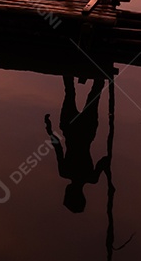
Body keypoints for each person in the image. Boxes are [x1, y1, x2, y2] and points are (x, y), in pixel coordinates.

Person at [45, 75, 109, 213]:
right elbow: (58, 147)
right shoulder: (65, 172)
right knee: (71, 91)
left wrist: (105, 169)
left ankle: (94, 72)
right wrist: (50, 132)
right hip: (72, 130)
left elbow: (105, 160)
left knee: (94, 93)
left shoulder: (91, 177)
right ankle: (71, 69)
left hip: (85, 131)